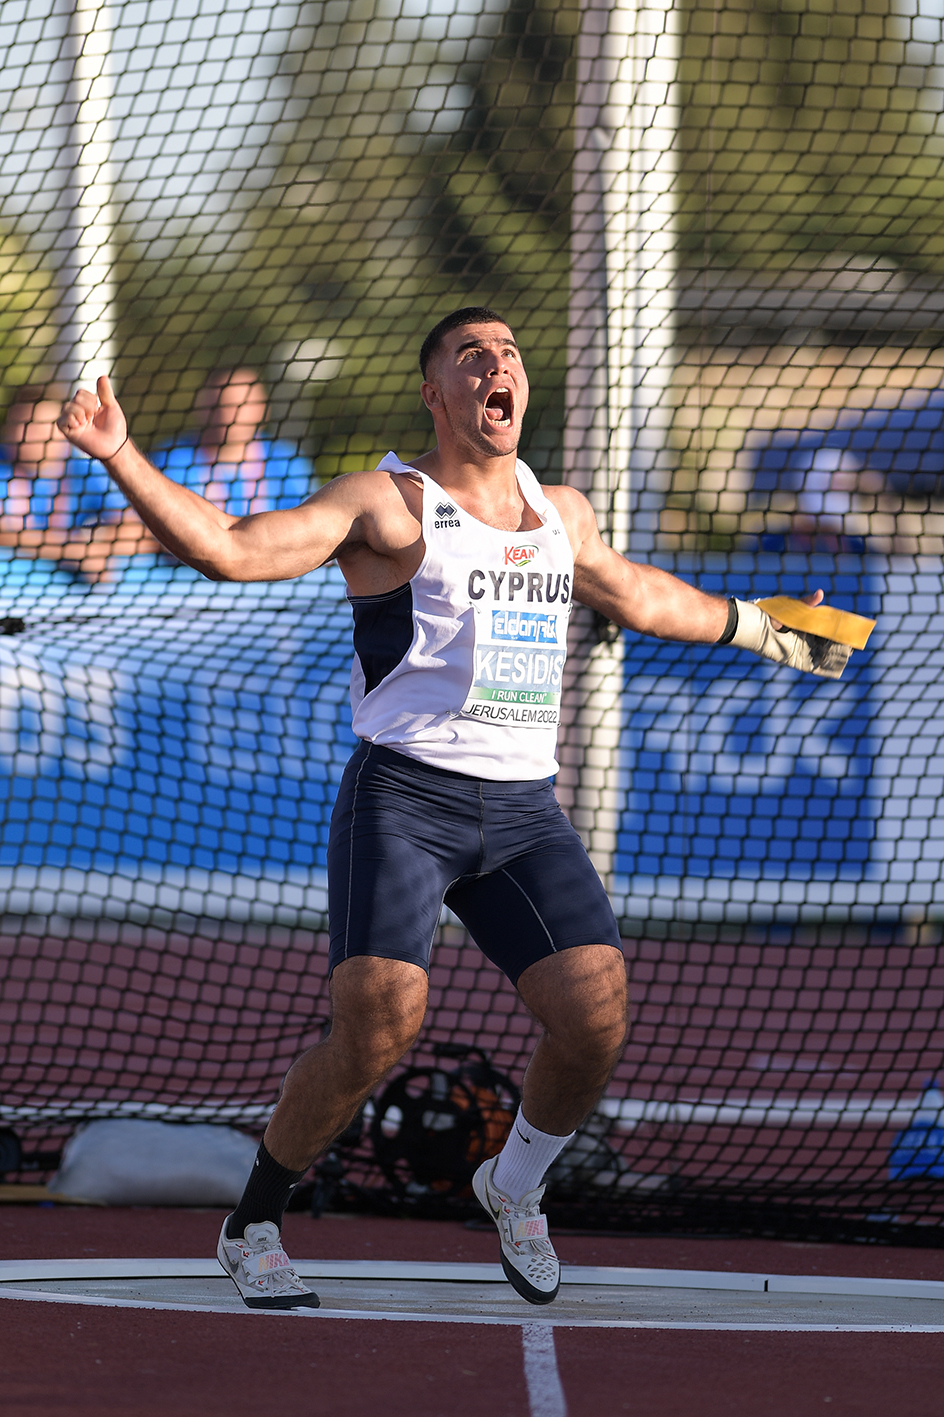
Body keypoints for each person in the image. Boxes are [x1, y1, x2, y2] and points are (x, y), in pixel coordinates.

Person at [58, 307, 850, 1311]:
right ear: (435, 394)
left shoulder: (559, 512)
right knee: (377, 1030)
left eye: (508, 351)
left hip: (521, 813)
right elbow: (229, 547)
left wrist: (770, 629)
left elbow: (638, 594)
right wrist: (120, 454)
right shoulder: (389, 506)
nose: (497, 364)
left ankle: (513, 1184)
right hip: (405, 800)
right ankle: (253, 1219)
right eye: (473, 354)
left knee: (595, 1017)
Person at [0, 384, 158, 577]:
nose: (25, 435)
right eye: (20, 425)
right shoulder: (4, 470)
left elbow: (140, 531)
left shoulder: (85, 470)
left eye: (38, 427)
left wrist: (98, 549)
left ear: (62, 431)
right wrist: (70, 551)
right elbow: (5, 535)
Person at [150, 368, 314, 515]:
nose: (229, 413)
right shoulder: (171, 460)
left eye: (241, 404)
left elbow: (309, 524)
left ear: (263, 409)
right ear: (202, 408)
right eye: (220, 404)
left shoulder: (288, 461)